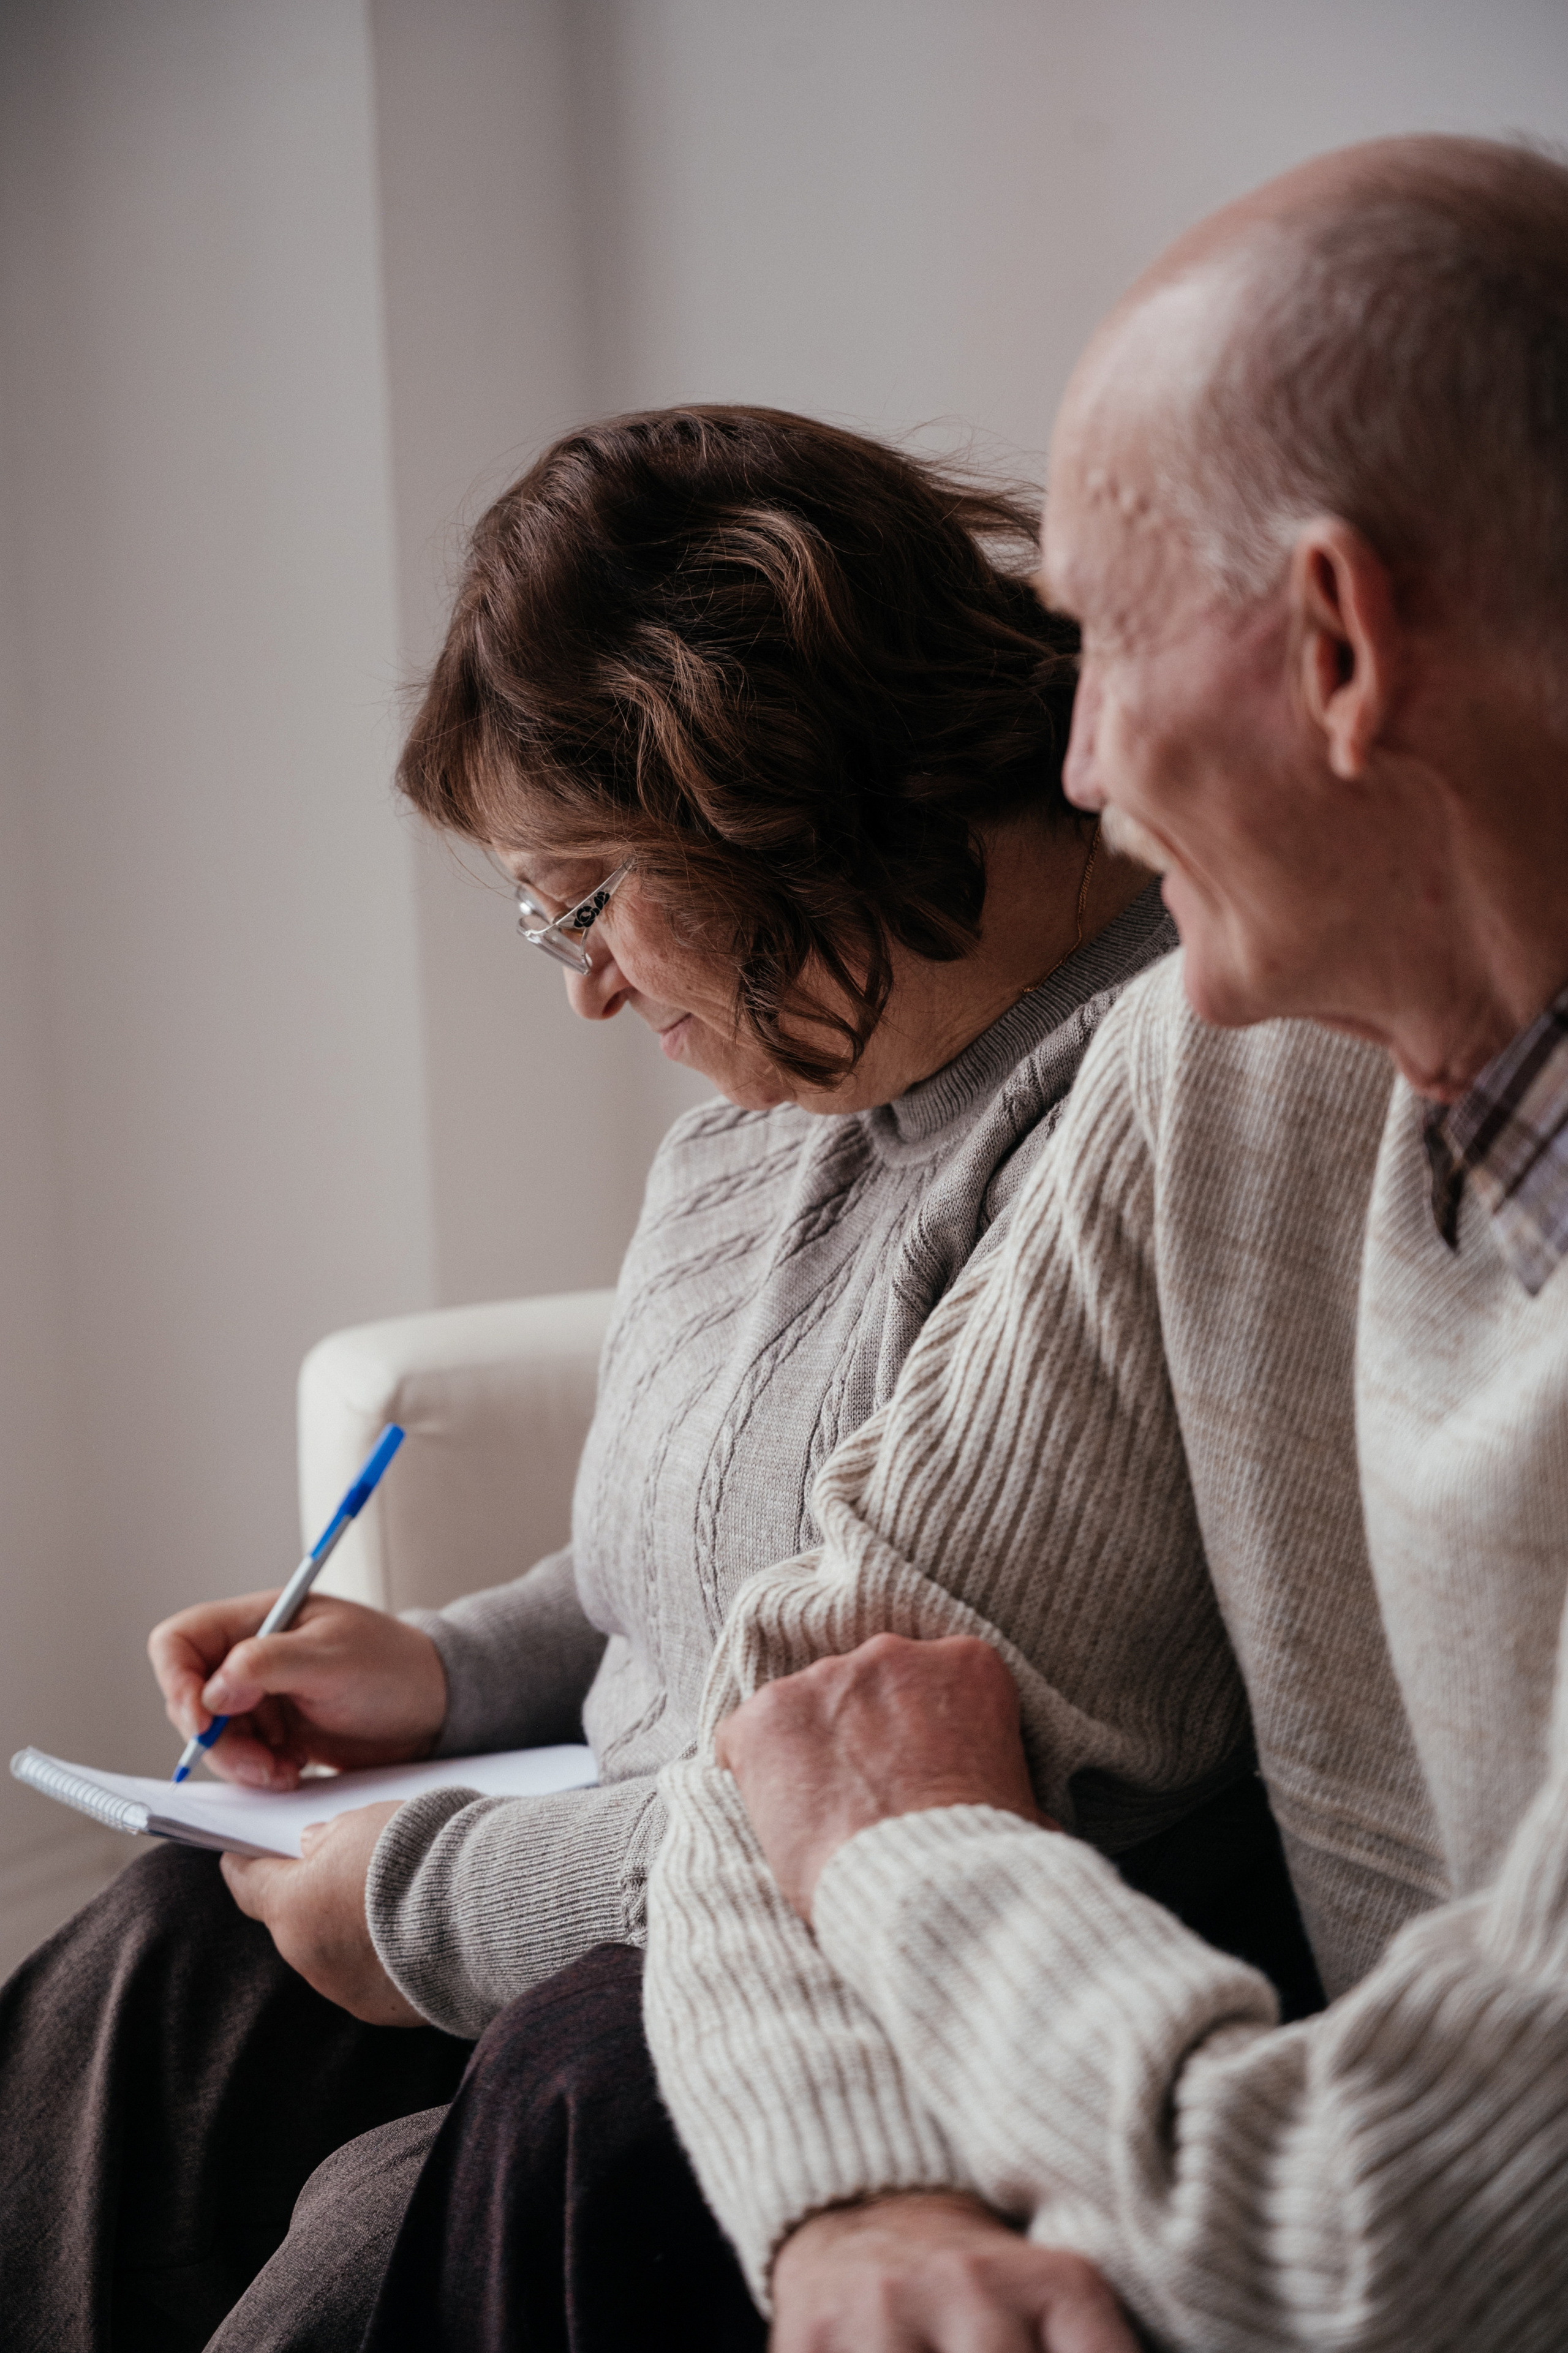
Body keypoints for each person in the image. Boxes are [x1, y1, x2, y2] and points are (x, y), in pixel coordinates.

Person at [0, 405, 1215, 2352]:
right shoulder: (776, 1083)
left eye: (583, 896)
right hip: (605, 1869)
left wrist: (416, 1889)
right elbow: (681, 1557)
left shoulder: (1142, 1109)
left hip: (829, 1961)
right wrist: (449, 1669)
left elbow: (891, 1763)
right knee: (147, 1952)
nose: (578, 982)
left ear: (776, 800)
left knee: (365, 2239)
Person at [644, 138, 1568, 2352]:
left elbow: (1393, 2246)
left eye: (1097, 639)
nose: (1072, 764)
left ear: (1339, 646)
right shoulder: (1232, 1063)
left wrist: (909, 1857)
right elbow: (791, 1711)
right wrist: (854, 2202)